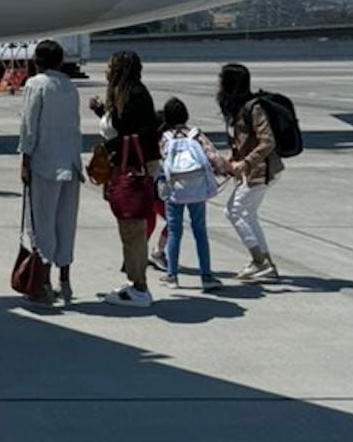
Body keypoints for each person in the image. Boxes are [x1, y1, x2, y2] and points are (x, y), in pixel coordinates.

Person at [89, 50, 159, 308]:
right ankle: (135, 281)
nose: (106, 69)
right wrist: (101, 112)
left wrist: (110, 149)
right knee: (129, 227)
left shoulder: (134, 95)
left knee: (133, 228)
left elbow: (136, 133)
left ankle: (140, 288)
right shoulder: (124, 94)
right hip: (127, 165)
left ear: (121, 68)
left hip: (132, 168)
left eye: (110, 65)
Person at [17, 40, 82, 303]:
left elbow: (29, 125)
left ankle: (41, 283)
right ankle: (65, 281)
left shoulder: (36, 84)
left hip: (45, 163)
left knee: (41, 224)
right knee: (65, 223)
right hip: (70, 162)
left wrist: (25, 158)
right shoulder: (70, 86)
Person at [218, 63, 284, 282]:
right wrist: (232, 160)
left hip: (262, 171)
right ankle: (265, 263)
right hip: (251, 171)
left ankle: (260, 261)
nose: (218, 84)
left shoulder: (254, 108)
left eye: (221, 79)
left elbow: (268, 141)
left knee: (234, 211)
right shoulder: (237, 109)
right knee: (246, 214)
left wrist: (245, 163)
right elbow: (242, 141)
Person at [158, 97, 223, 292]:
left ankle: (172, 275)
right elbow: (213, 156)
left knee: (174, 231)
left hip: (175, 189)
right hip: (197, 189)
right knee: (200, 231)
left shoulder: (166, 137)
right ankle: (206, 276)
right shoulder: (195, 134)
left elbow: (161, 161)